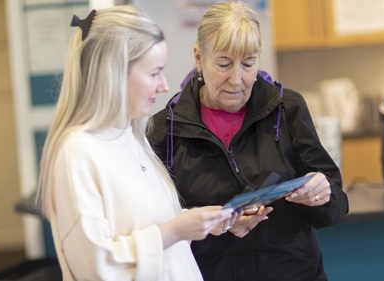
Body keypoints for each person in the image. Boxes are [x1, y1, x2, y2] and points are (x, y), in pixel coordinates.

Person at [148, 2, 349, 281]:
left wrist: (322, 194)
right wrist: (217, 225)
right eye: (224, 64)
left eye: (248, 64)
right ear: (198, 57)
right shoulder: (164, 131)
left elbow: (334, 209)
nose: (237, 79)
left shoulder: (286, 109)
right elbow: (156, 229)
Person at [36, 6, 236, 281]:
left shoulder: (132, 135)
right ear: (114, 73)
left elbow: (145, 225)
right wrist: (177, 230)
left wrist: (195, 222)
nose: (164, 85)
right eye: (154, 73)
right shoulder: (78, 152)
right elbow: (95, 265)